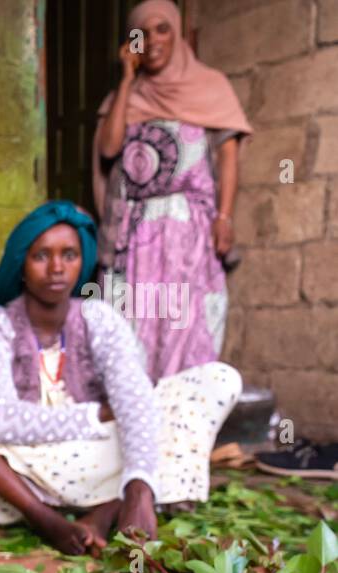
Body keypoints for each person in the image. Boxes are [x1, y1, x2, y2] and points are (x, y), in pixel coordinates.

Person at [0, 202, 242, 555]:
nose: (57, 268)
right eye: (42, 256)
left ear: (81, 262)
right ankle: (45, 517)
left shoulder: (99, 319)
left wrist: (137, 484)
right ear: (21, 265)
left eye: (69, 255)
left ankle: (119, 506)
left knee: (215, 381)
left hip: (96, 467)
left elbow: (133, 398)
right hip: (14, 478)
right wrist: (96, 415)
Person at [92, 0, 252, 382]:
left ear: (177, 34)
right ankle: (135, 423)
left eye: (162, 29)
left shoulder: (210, 87)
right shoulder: (124, 97)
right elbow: (109, 149)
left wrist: (225, 217)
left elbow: (229, 159)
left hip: (188, 234)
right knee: (131, 325)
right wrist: (127, 80)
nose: (152, 41)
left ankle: (184, 426)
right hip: (133, 235)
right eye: (141, 33)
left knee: (187, 325)